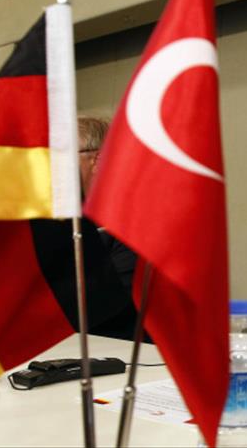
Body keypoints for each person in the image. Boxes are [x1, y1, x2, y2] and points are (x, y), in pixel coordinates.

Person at [78, 116, 143, 341]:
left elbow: (107, 300)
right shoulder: (54, 221)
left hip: (121, 348)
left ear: (98, 160)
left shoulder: (133, 220)